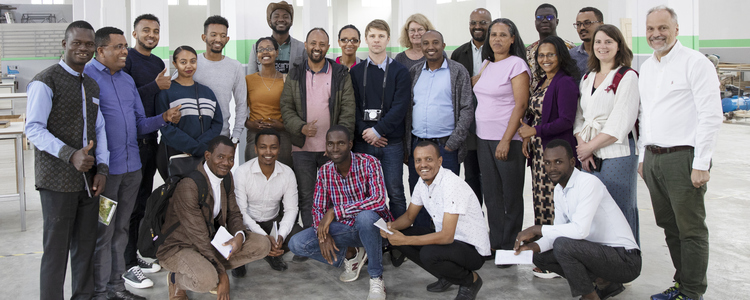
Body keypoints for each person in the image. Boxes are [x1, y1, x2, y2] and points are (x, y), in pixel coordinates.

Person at [84, 26, 180, 300]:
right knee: (104, 231)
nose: (125, 51)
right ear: (100, 51)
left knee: (122, 228)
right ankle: (100, 291)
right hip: (105, 173)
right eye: (119, 47)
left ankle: (116, 286)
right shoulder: (87, 77)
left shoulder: (126, 81)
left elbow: (139, 124)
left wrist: (164, 117)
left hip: (132, 169)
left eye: (126, 46)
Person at [639, 6, 722, 300]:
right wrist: (641, 158)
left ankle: (692, 292)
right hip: (653, 159)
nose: (656, 34)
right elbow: (645, 113)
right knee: (669, 227)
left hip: (684, 159)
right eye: (650, 29)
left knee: (691, 229)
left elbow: (711, 115)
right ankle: (681, 284)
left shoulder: (696, 63)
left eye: (662, 28)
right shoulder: (647, 67)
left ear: (676, 29)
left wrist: (701, 163)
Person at [25, 20, 109, 300]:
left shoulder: (92, 85)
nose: (83, 48)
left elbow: (99, 129)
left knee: (85, 247)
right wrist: (69, 154)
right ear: (65, 44)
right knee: (56, 251)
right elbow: (33, 127)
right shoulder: (45, 80)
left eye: (88, 44)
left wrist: (102, 169)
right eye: (77, 43)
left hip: (88, 182)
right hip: (56, 182)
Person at [514, 139, 641, 300]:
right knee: (538, 255)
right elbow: (556, 234)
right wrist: (532, 246)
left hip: (625, 259)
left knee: (563, 245)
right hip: (598, 254)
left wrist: (536, 229)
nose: (551, 168)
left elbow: (580, 230)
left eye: (558, 162)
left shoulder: (588, 183)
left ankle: (590, 296)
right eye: (547, 163)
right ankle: (605, 282)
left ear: (572, 162)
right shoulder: (559, 190)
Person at [157, 136, 272, 300]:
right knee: (208, 280)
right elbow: (199, 236)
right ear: (207, 156)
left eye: (231, 158)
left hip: (209, 241)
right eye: (220, 157)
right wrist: (222, 275)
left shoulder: (226, 178)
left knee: (262, 244)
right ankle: (176, 279)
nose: (226, 163)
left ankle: (207, 268)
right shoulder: (189, 186)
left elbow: (233, 213)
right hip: (179, 247)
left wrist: (239, 235)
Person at [288, 125, 393, 300]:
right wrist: (322, 234)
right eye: (330, 144)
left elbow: (378, 200)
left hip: (375, 230)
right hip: (345, 230)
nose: (335, 148)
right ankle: (351, 254)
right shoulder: (325, 171)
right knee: (297, 244)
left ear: (350, 144)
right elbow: (318, 210)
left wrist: (336, 211)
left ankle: (376, 278)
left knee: (365, 217)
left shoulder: (369, 162)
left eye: (341, 143)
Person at [382, 141, 490, 300]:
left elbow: (447, 236)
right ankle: (448, 276)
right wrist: (389, 227)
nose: (423, 164)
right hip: (452, 242)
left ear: (440, 161)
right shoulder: (422, 182)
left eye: (428, 159)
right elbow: (409, 217)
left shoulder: (451, 184)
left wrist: (405, 240)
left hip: (471, 248)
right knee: (401, 233)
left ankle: (470, 281)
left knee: (428, 253)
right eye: (418, 160)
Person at [280, 28, 355, 230]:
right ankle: (310, 238)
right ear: (306, 45)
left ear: (328, 47)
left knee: (335, 195)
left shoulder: (340, 74)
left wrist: (338, 144)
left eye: (322, 44)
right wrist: (300, 127)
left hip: (332, 150)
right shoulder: (295, 73)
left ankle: (335, 237)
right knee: (307, 195)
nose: (317, 48)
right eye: (313, 43)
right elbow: (286, 107)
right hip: (302, 148)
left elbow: (348, 110)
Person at [574, 24, 640, 245]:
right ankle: (602, 263)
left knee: (619, 210)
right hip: (590, 154)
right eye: (598, 42)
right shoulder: (588, 77)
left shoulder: (626, 76)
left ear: (619, 45)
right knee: (596, 212)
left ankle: (625, 262)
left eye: (608, 42)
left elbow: (620, 122)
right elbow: (579, 117)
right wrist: (583, 148)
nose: (603, 46)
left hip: (617, 154)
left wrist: (589, 147)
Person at [472, 18, 529, 263]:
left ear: (513, 39)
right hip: (483, 138)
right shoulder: (487, 64)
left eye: (503, 35)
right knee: (492, 194)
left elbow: (521, 105)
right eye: (493, 34)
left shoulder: (516, 65)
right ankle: (495, 244)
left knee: (511, 196)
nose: (497, 39)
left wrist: (507, 139)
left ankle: (509, 248)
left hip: (507, 139)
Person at [406, 30, 473, 227]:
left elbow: (467, 108)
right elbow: (409, 109)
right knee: (419, 192)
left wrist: (453, 143)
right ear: (421, 46)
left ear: (443, 45)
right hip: (418, 144)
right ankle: (422, 236)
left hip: (446, 145)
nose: (430, 47)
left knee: (447, 195)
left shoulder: (458, 71)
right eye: (426, 43)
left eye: (435, 42)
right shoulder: (415, 72)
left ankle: (446, 239)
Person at [121, 13, 169, 288]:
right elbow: (123, 98)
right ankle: (126, 263)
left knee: (141, 204)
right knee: (128, 206)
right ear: (135, 33)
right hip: (132, 143)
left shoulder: (158, 62)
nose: (151, 35)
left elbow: (157, 99)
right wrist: (155, 86)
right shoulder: (126, 59)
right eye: (146, 30)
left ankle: (135, 255)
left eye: (156, 31)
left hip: (151, 140)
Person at [518, 36, 580, 235]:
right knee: (541, 200)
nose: (545, 59)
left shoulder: (565, 83)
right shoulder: (543, 81)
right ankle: (543, 245)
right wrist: (527, 136)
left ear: (560, 56)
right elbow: (534, 112)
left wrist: (534, 131)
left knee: (555, 202)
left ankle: (557, 248)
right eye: (541, 55)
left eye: (550, 54)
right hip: (539, 153)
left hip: (556, 152)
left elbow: (566, 120)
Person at [350, 19, 410, 221]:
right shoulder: (356, 72)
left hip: (391, 144)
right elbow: (353, 107)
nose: (377, 41)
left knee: (395, 193)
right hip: (363, 142)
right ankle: (372, 240)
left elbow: (400, 107)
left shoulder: (400, 71)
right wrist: (367, 133)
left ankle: (398, 244)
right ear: (366, 39)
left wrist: (378, 131)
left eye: (381, 36)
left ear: (388, 39)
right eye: (373, 36)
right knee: (365, 194)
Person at [233, 129, 302, 276]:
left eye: (273, 147)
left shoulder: (287, 172)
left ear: (279, 148)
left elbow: (291, 209)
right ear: (256, 148)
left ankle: (272, 254)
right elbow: (241, 212)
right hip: (247, 224)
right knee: (235, 230)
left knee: (298, 236)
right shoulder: (242, 172)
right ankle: (240, 259)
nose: (268, 152)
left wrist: (280, 236)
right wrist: (264, 237)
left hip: (272, 222)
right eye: (263, 147)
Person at [155, 46, 223, 180]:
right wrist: (192, 146)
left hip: (202, 155)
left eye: (193, 61)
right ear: (175, 64)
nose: (189, 66)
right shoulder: (166, 92)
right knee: (177, 197)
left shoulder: (207, 92)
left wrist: (200, 146)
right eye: (183, 62)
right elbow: (165, 127)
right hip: (174, 156)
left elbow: (217, 122)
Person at [450, 8, 492, 205]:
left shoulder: (498, 52)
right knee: (472, 175)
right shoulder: (459, 53)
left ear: (490, 24)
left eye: (483, 22)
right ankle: (476, 219)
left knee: (491, 175)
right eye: (473, 22)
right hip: (469, 125)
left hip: (494, 123)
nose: (477, 26)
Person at [193, 15, 247, 145]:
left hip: (221, 136)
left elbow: (241, 104)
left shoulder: (235, 66)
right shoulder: (193, 62)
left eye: (223, 35)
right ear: (204, 37)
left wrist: (235, 137)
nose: (218, 39)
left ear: (227, 39)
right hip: (193, 136)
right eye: (213, 35)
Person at [244, 37, 292, 167]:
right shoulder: (248, 80)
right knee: (253, 177)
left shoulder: (286, 80)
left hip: (281, 134)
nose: (265, 52)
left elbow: (293, 111)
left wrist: (281, 126)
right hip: (255, 134)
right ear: (257, 55)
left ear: (276, 52)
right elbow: (240, 110)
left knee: (282, 175)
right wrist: (250, 124)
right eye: (261, 50)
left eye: (269, 49)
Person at [526, 3, 577, 88]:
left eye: (550, 17)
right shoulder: (529, 51)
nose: (545, 20)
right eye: (540, 18)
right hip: (536, 98)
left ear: (557, 22)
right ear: (535, 22)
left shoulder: (569, 48)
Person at [248, 0, 305, 74]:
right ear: (270, 21)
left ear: (291, 21)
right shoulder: (257, 47)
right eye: (276, 16)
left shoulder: (302, 48)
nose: (281, 20)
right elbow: (251, 77)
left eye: (285, 17)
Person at [569, 7, 603, 79]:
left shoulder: (609, 53)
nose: (582, 28)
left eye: (587, 23)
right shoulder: (571, 56)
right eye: (578, 24)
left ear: (601, 24)